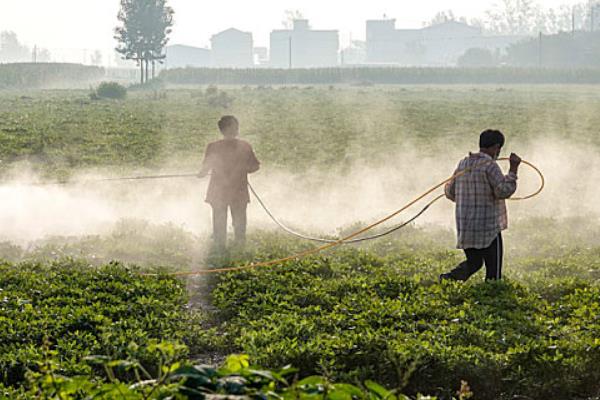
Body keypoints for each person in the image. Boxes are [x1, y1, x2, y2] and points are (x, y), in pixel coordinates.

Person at [440, 129, 521, 282]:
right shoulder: (490, 166)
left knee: (475, 262)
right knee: (493, 272)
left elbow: (450, 192)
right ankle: (493, 296)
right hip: (488, 227)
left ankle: (449, 278)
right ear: (496, 147)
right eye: (499, 149)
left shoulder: (463, 163)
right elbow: (503, 191)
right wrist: (513, 169)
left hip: (466, 226)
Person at [199, 115, 260, 248]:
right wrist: (243, 169)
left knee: (219, 224)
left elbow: (205, 169)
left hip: (219, 192)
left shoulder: (213, 147)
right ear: (229, 129)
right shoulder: (244, 146)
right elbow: (255, 166)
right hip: (238, 191)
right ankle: (239, 249)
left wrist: (201, 174)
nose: (237, 129)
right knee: (239, 225)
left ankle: (219, 249)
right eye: (235, 126)